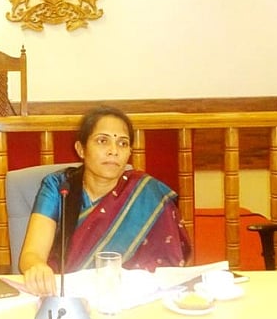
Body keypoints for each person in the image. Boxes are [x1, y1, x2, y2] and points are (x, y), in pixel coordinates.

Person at [19, 106, 191, 296]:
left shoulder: (148, 193)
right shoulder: (59, 187)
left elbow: (169, 270)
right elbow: (31, 254)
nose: (113, 151)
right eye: (103, 141)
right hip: (65, 295)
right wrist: (36, 267)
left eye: (122, 143)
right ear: (81, 149)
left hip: (131, 298)